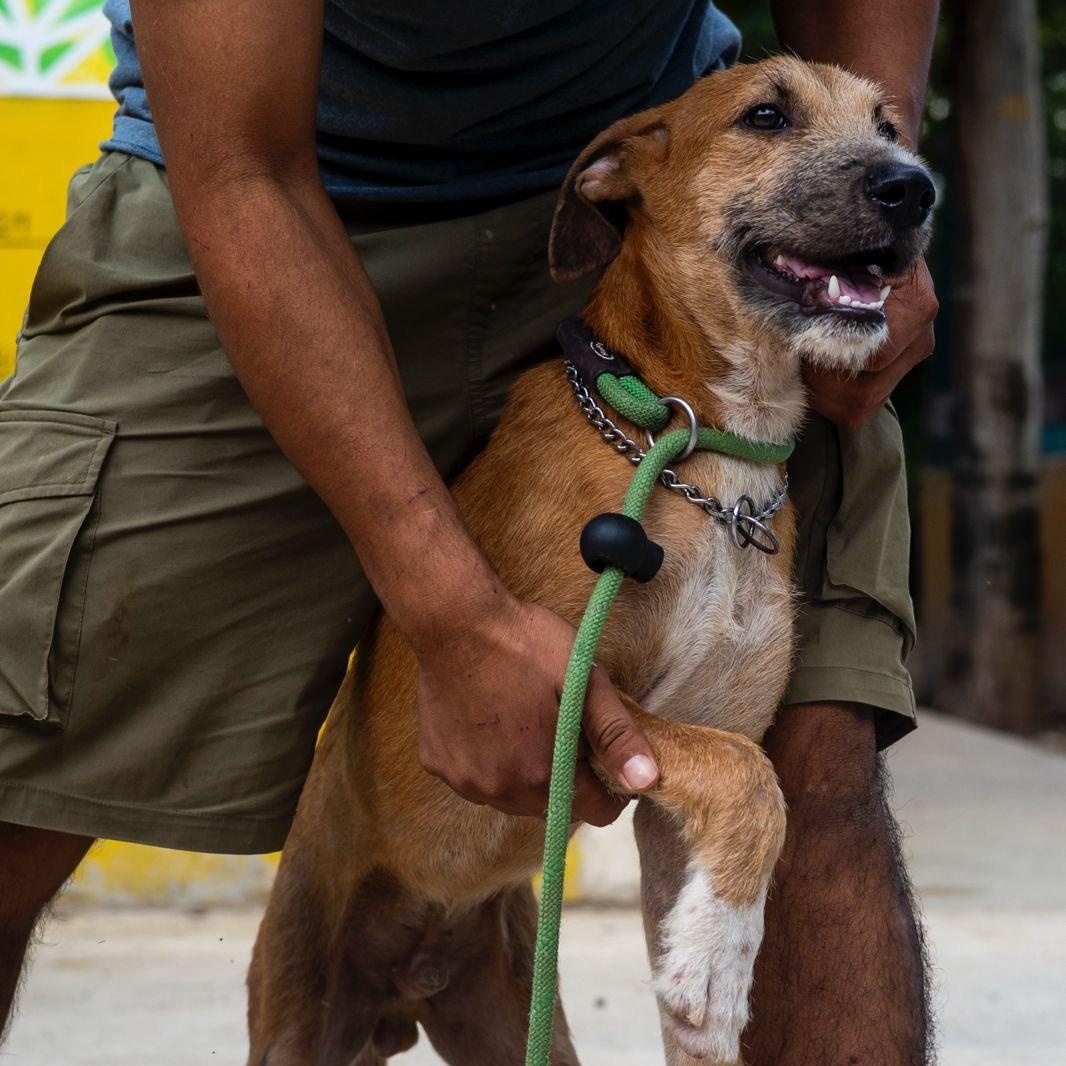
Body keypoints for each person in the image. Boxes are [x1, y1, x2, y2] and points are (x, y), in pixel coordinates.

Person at [0, 1, 939, 1060]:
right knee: (15, 768)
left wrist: (871, 178)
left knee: (818, 753)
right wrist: (451, 619)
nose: (895, 171)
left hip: (656, 243)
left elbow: (865, 123)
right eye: (779, 118)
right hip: (266, 197)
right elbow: (242, 169)